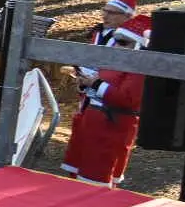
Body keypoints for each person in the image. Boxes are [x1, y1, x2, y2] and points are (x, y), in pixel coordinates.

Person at [62, 14, 149, 186]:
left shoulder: (139, 68)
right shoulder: (116, 62)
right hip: (92, 123)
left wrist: (96, 83)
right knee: (80, 174)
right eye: (116, 41)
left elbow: (127, 99)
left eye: (123, 43)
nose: (116, 46)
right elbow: (103, 86)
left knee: (97, 178)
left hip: (110, 128)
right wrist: (87, 84)